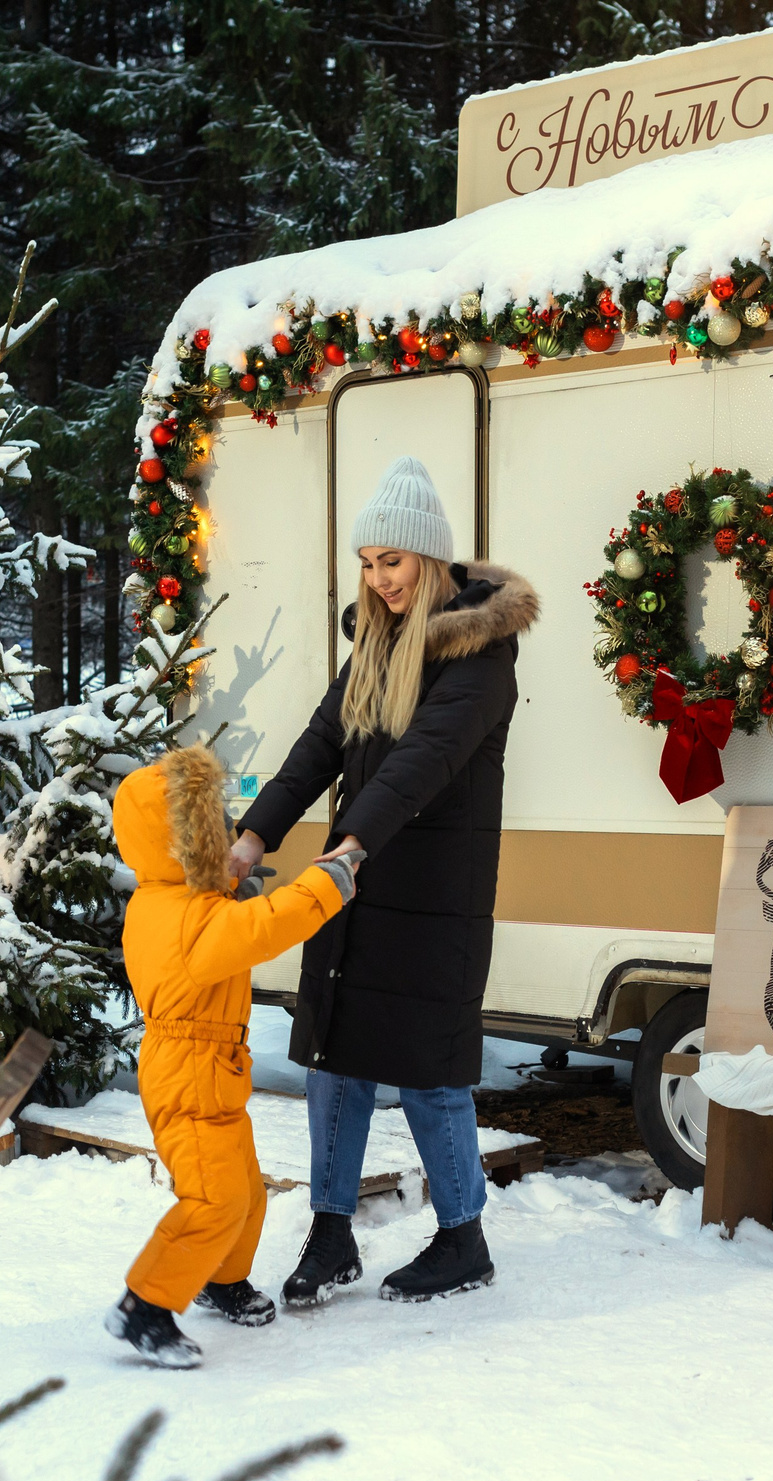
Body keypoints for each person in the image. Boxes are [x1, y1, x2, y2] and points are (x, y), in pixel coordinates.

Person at [230, 455, 540, 1306]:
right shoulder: (375, 643)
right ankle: (331, 1233)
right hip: (358, 880)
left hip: (431, 889)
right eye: (368, 564)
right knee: (335, 1055)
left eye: (392, 562)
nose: (379, 579)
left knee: (431, 1066)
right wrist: (252, 839)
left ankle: (461, 1238)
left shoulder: (481, 653)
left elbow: (424, 760)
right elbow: (318, 744)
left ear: (430, 559)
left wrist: (351, 845)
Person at [103, 744, 361, 1369]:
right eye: (210, 832)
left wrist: (229, 879)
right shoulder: (186, 920)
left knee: (245, 1193)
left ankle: (220, 1278)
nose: (223, 836)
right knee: (213, 1200)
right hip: (188, 1075)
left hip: (210, 1073)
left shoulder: (168, 898)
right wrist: (324, 886)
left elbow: (205, 903)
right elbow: (262, 927)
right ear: (181, 845)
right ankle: (146, 1305)